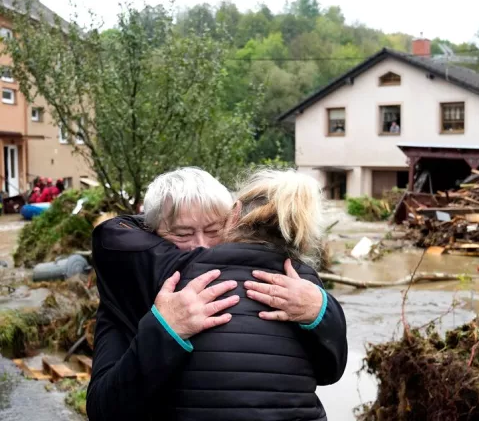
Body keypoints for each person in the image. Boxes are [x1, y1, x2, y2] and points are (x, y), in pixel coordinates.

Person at [87, 168, 347, 420]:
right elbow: (104, 409)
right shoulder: (132, 282)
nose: (200, 245)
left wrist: (320, 310)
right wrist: (164, 330)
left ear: (233, 219)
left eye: (213, 231)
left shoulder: (296, 287)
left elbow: (327, 372)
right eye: (181, 233)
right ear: (149, 234)